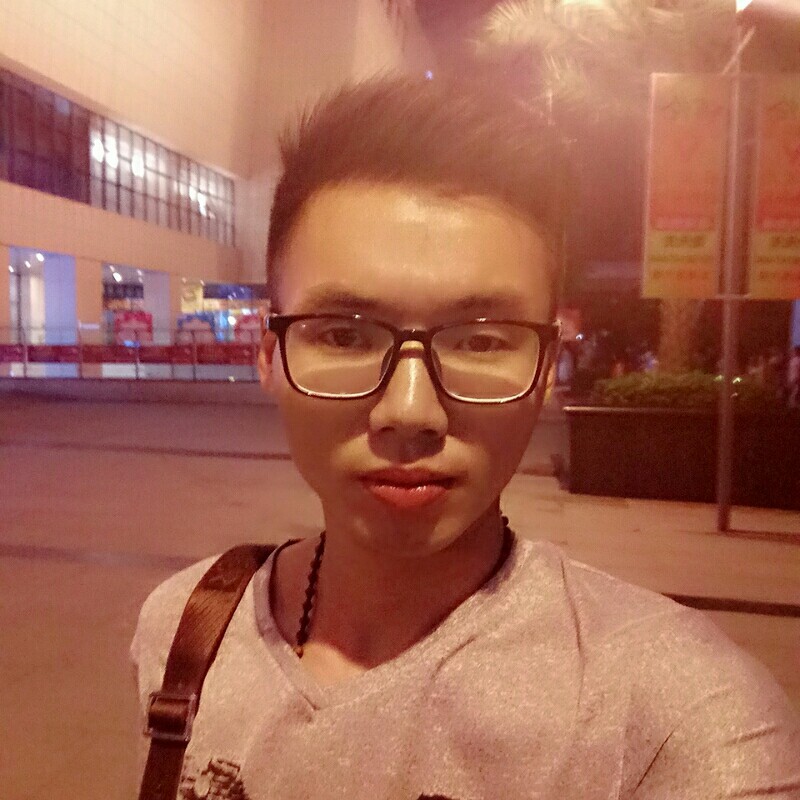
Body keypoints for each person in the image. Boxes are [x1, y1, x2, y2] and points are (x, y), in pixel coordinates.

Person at [131, 76, 800, 799]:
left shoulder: (677, 715)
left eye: (481, 340)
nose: (410, 411)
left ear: (547, 367)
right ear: (269, 356)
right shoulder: (189, 629)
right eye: (345, 335)